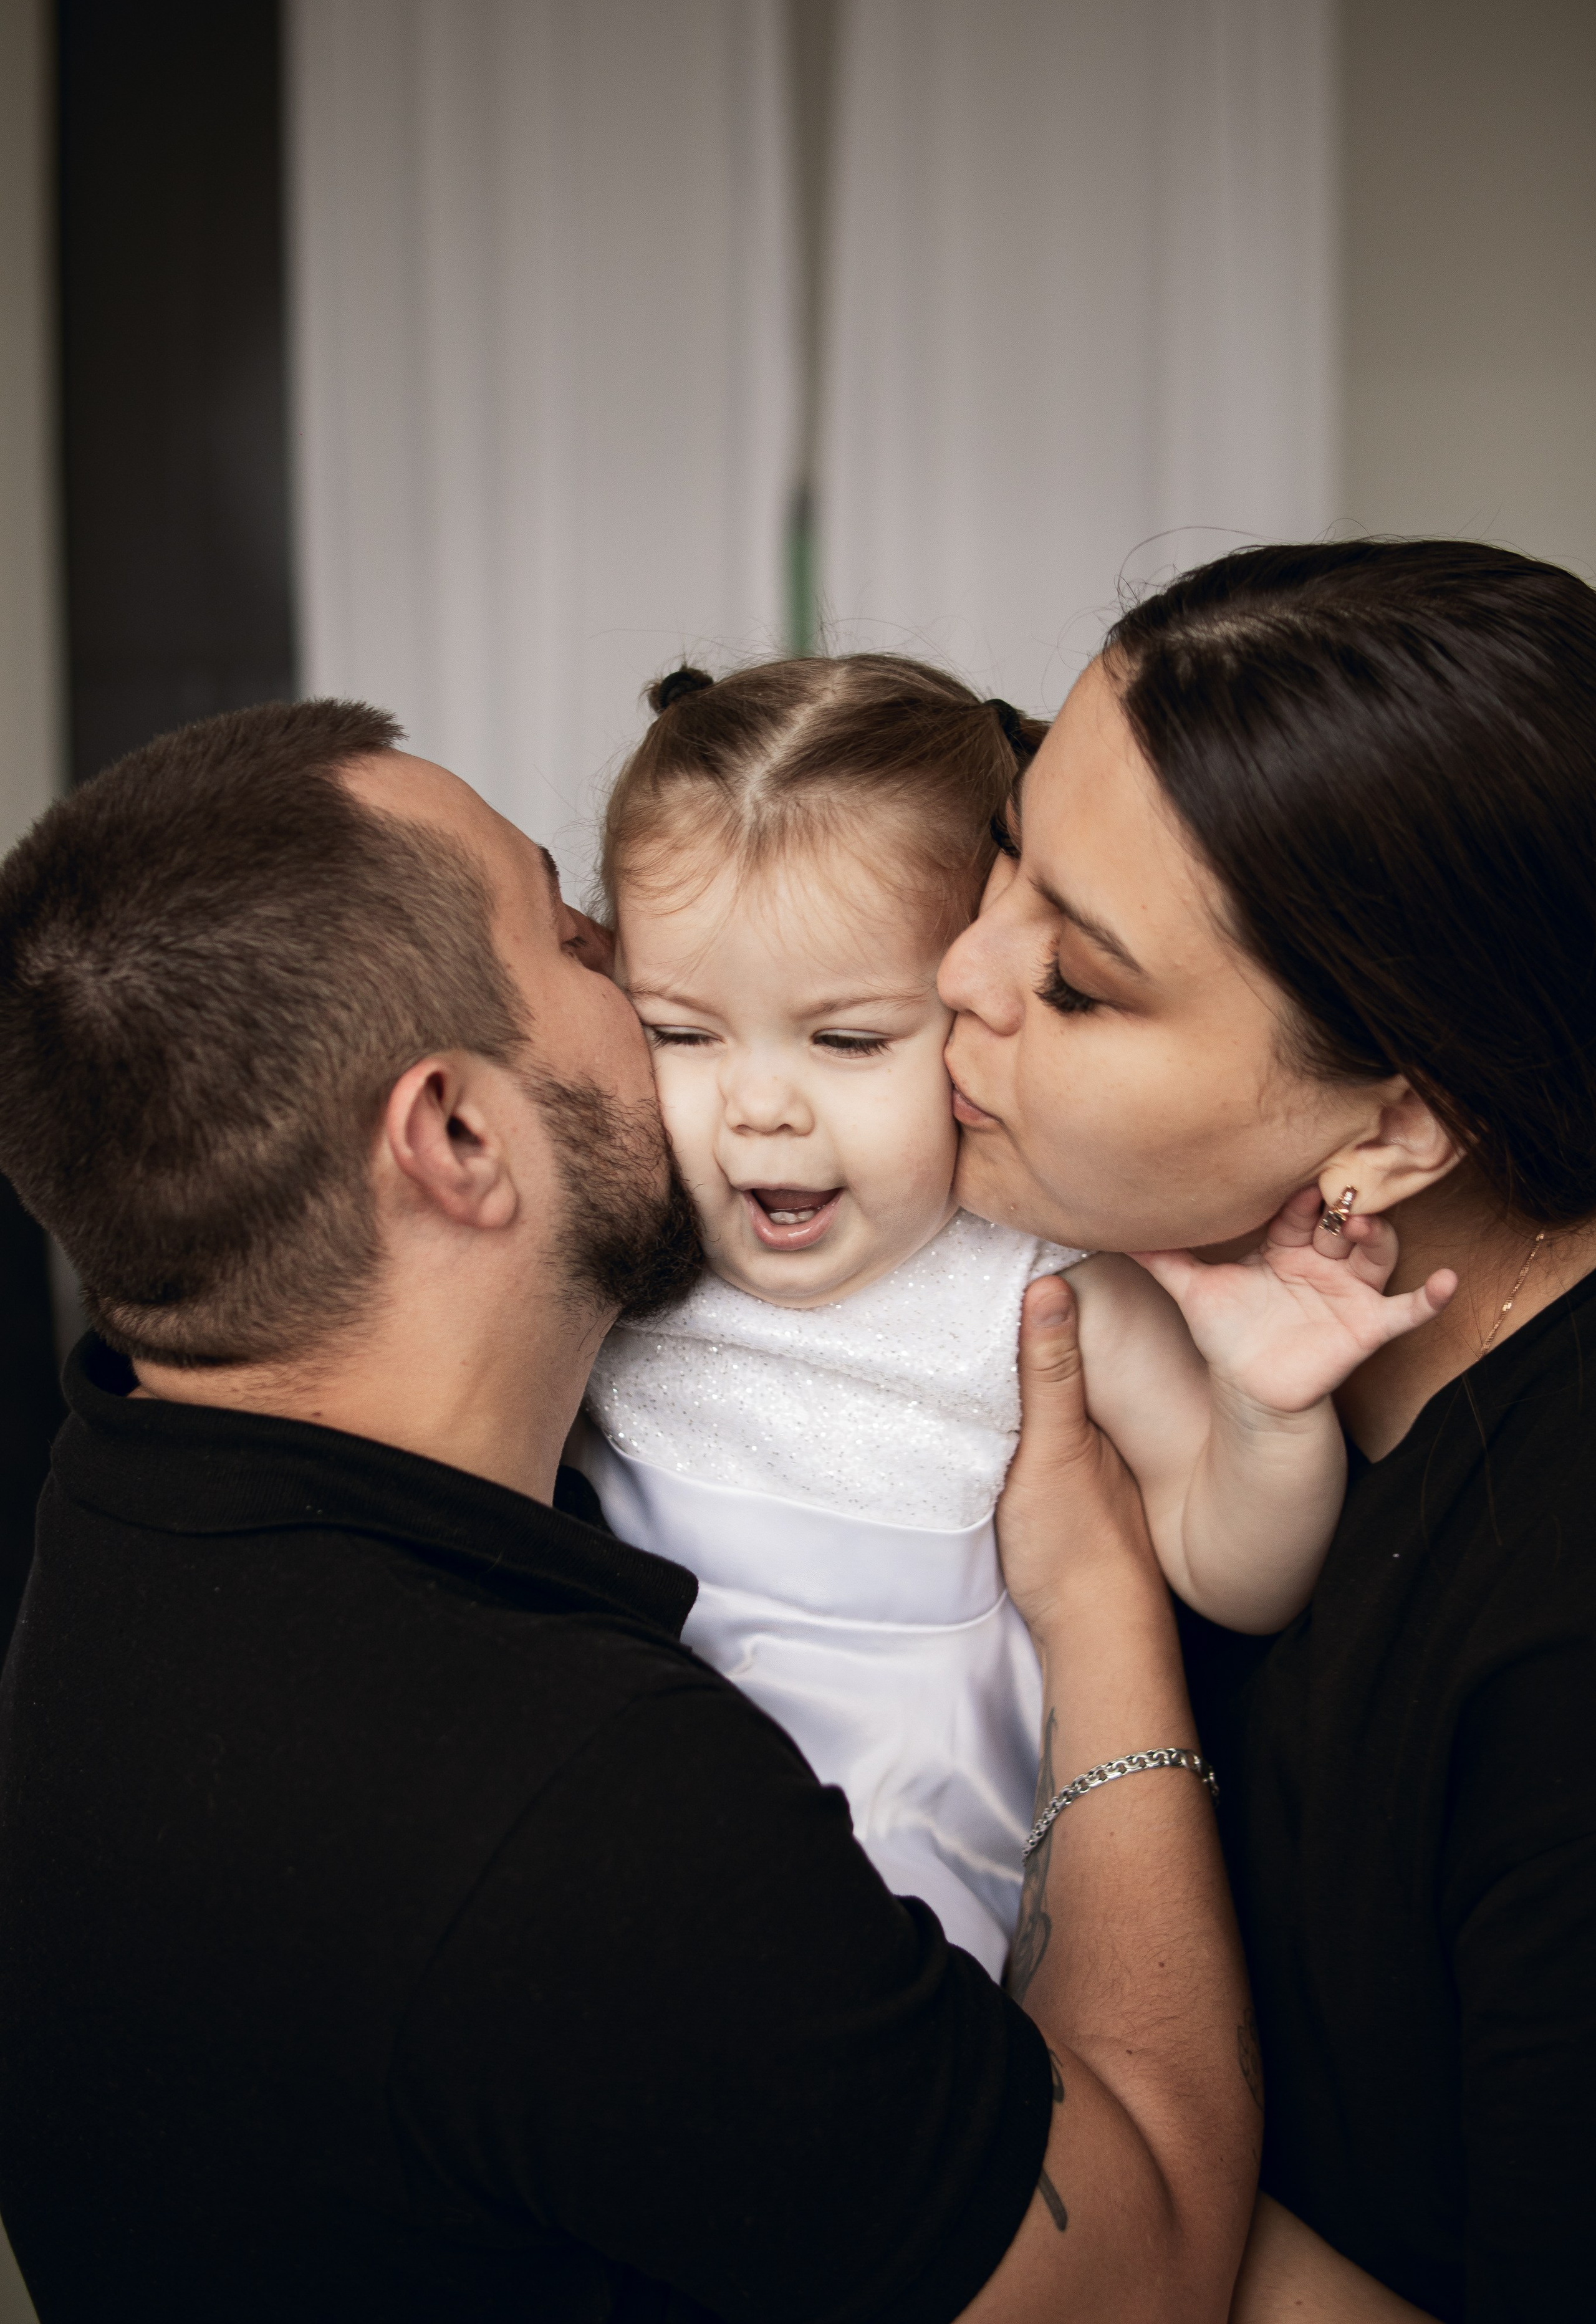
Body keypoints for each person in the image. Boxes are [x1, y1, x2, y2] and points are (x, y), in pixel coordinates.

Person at [0, 698, 1254, 2321]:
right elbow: (1135, 2273)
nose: (628, 953)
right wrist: (1098, 1613)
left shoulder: (126, 1512)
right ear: (456, 1135)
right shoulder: (567, 1813)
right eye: (574, 941)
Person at [938, 539, 1596, 2324]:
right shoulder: (1145, 1313)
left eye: (1072, 980)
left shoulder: (1555, 1635)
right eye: (1004, 862)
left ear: (1391, 1136)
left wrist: (1059, 2181)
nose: (956, 971)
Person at [577, 655, 1453, 1979]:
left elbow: (1238, 1575)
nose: (756, 1107)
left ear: (978, 1019)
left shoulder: (1035, 1283)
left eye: (849, 1040)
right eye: (682, 1034)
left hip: (923, 1885)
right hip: (620, 1836)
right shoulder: (621, 1245)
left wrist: (1264, 1410)